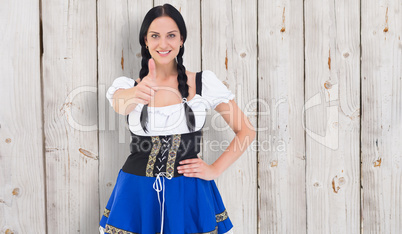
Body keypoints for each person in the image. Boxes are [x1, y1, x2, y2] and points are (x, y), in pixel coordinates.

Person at [99, 3, 255, 234]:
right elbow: (120, 105)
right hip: (137, 194)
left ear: (182, 39)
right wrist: (139, 91)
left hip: (189, 192)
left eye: (171, 35)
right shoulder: (128, 86)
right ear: (145, 41)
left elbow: (246, 131)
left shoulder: (204, 83)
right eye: (155, 36)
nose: (163, 44)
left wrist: (214, 170)